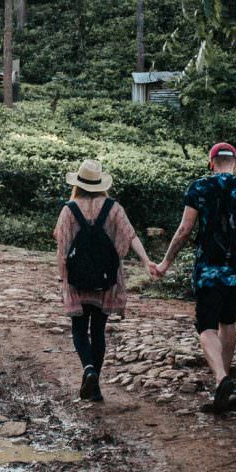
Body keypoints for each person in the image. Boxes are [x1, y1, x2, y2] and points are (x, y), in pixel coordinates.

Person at [152, 142, 236, 411]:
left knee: (206, 325)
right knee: (227, 321)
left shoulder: (199, 188)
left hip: (208, 268)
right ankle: (222, 386)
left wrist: (166, 262)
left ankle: (221, 378)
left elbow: (184, 229)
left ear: (211, 163)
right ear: (235, 163)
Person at [54, 159, 156, 401]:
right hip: (106, 279)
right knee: (98, 331)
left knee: (79, 330)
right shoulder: (114, 208)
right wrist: (146, 261)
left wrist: (64, 280)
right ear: (100, 183)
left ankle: (88, 369)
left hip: (78, 280)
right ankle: (95, 387)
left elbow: (62, 249)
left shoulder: (69, 209)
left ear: (79, 183)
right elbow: (130, 236)